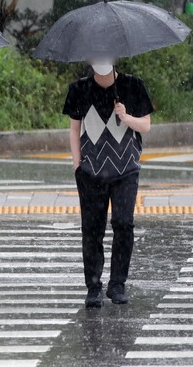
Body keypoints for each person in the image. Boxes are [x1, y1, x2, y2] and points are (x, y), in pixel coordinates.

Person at [63, 60, 154, 308]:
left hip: (126, 169)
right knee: (92, 229)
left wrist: (126, 117)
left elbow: (145, 125)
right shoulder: (79, 89)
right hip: (91, 170)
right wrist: (77, 165)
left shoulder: (133, 85)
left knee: (123, 223)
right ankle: (94, 286)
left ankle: (117, 284)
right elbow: (74, 128)